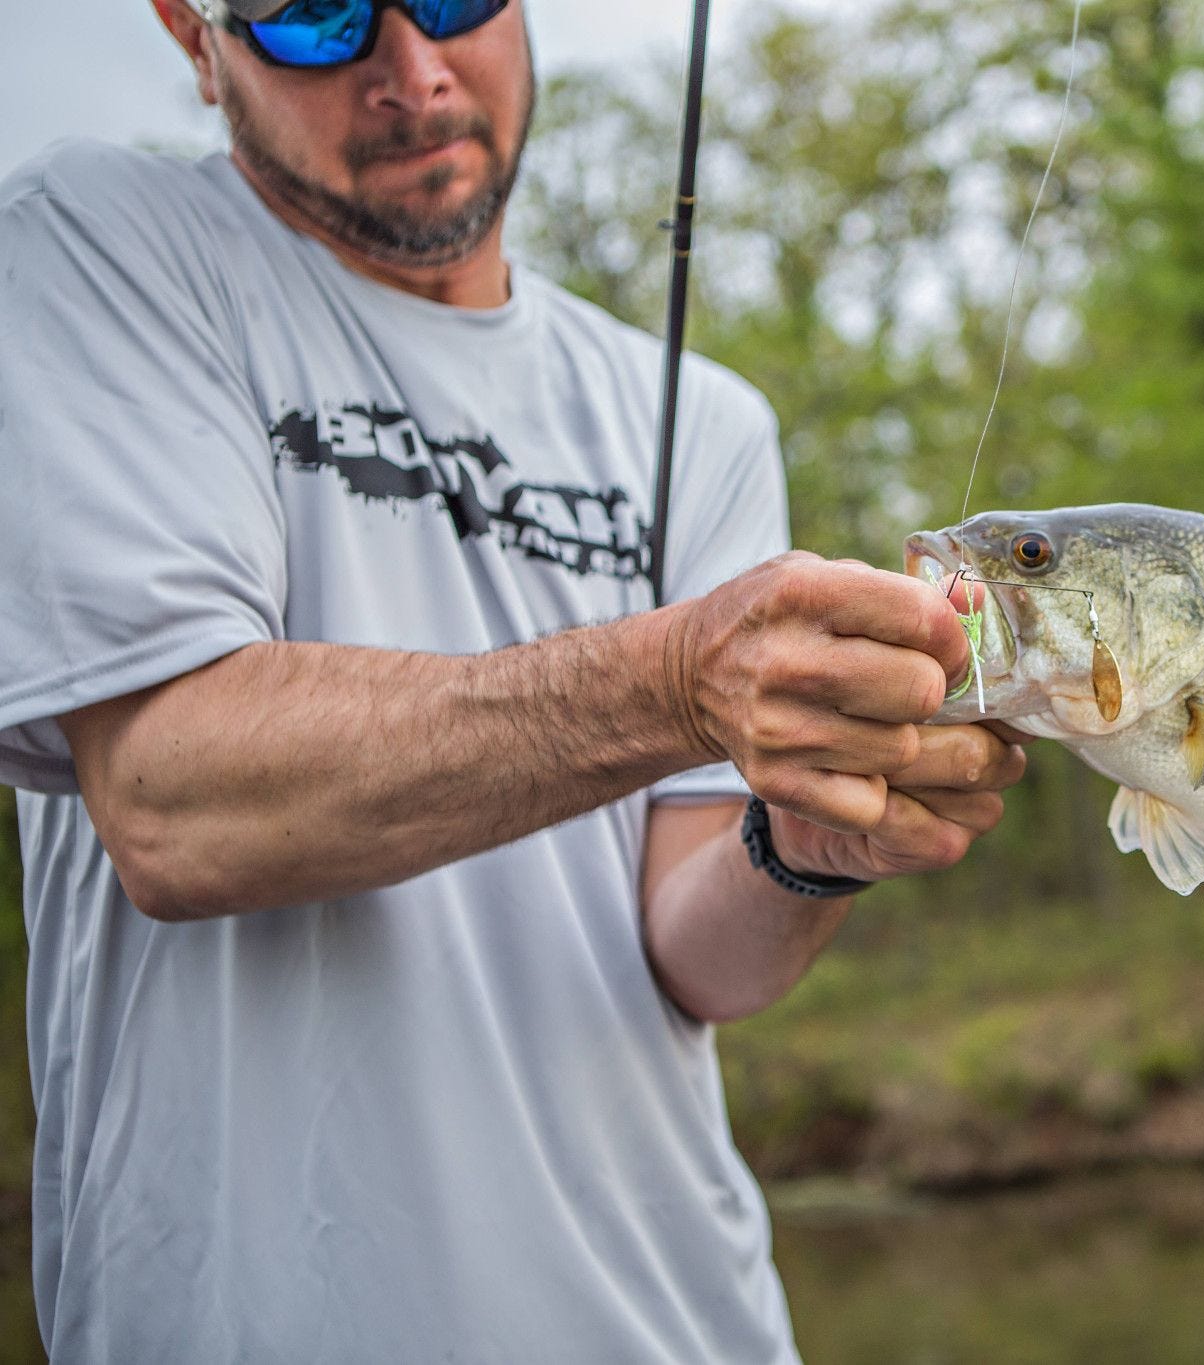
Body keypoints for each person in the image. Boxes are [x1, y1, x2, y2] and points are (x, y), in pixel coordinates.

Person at [0, 0, 1026, 1358]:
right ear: (196, 34)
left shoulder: (705, 419)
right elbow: (174, 802)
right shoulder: (92, 251)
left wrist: (808, 845)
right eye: (315, 21)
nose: (412, 72)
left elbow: (693, 951)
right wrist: (673, 679)